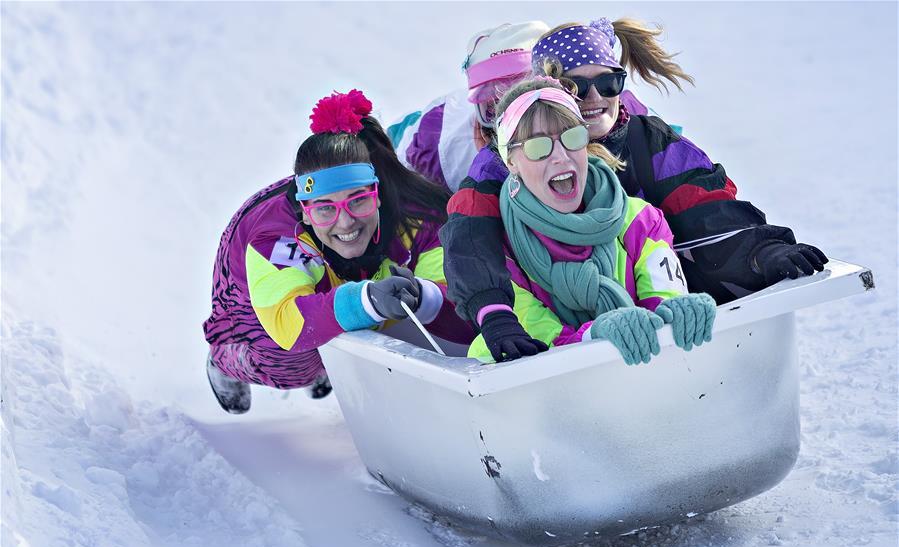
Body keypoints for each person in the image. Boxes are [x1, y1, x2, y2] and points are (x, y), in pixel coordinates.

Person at [440, 17, 827, 362]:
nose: (594, 98)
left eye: (608, 83)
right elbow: (471, 239)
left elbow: (704, 207)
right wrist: (493, 310)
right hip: (556, 318)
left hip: (651, 301)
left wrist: (761, 252)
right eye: (577, 86)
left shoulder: (646, 144)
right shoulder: (503, 162)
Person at [202, 90, 473, 414]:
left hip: (345, 275)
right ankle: (227, 362)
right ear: (304, 210)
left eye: (358, 200)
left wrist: (425, 296)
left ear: (378, 194)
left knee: (387, 314)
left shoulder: (416, 218)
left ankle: (338, 341)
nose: (345, 222)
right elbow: (287, 322)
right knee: (298, 362)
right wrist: (367, 300)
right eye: (325, 209)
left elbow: (463, 303)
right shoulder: (275, 238)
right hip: (252, 296)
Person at [460, 78, 716, 364]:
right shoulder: (497, 247)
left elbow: (663, 297)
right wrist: (593, 336)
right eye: (537, 146)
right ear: (511, 161)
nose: (560, 156)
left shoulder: (639, 219)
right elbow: (532, 334)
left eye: (572, 137)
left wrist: (676, 313)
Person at [388, 21, 549, 192]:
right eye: (495, 103)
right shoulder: (437, 139)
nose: (512, 117)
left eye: (525, 99)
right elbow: (396, 164)